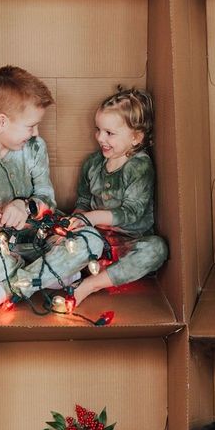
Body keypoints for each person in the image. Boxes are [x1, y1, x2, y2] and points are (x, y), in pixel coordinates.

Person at [0, 66, 105, 322]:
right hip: (3, 252)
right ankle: (51, 274)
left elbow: (47, 198)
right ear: (1, 122)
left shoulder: (34, 148)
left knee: (92, 239)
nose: (36, 133)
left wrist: (26, 205)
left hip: (45, 238)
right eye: (31, 126)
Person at [62, 87, 167, 309]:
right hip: (95, 240)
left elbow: (132, 212)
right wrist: (79, 218)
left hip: (130, 242)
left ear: (135, 137)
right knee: (57, 231)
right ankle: (66, 273)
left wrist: (92, 217)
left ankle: (91, 284)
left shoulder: (139, 166)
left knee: (157, 249)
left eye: (109, 133)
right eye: (98, 130)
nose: (100, 138)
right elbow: (82, 200)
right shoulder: (92, 164)